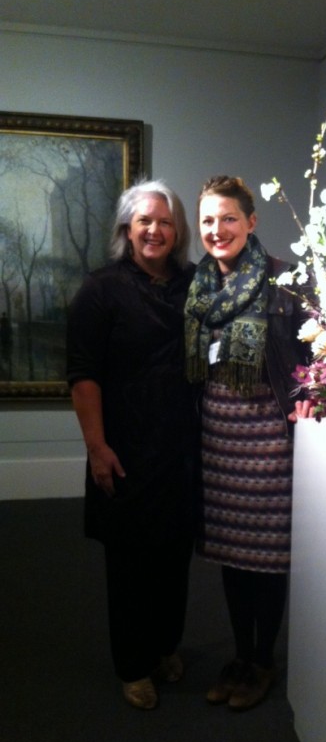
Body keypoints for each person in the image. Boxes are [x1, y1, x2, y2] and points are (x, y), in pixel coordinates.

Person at [66, 179, 197, 710]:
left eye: (166, 222)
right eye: (145, 220)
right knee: (130, 564)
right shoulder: (100, 290)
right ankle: (132, 665)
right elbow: (83, 377)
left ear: (177, 231)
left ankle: (165, 647)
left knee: (173, 557)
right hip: (124, 445)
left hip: (182, 446)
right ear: (127, 228)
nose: (156, 230)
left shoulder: (194, 283)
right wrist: (96, 447)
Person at [185, 175, 313, 711]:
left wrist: (310, 396)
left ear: (251, 222)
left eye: (229, 218)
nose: (218, 230)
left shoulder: (286, 282)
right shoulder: (197, 286)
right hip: (217, 437)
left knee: (269, 559)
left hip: (269, 440)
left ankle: (262, 659)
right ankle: (240, 654)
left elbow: (318, 351)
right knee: (234, 559)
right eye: (209, 220)